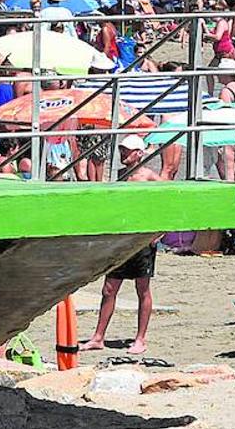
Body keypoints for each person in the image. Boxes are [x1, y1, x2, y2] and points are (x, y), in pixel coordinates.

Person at [83, 137, 161, 355]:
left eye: (127, 151)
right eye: (121, 150)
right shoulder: (119, 175)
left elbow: (168, 202)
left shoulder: (150, 177)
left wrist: (159, 231)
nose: (123, 154)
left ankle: (140, 339)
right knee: (109, 289)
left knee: (142, 289)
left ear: (139, 153)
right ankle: (98, 337)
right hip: (122, 239)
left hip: (141, 239)